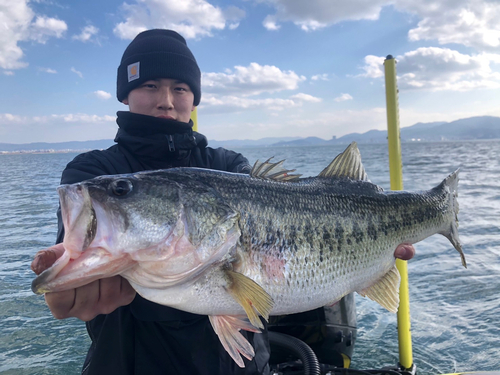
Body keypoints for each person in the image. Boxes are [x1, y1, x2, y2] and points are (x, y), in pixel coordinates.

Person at [31, 29, 415, 375]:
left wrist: (369, 253)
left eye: (180, 88)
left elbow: (270, 266)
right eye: (149, 85)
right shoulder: (95, 173)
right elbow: (80, 255)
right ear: (126, 93)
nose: (166, 100)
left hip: (244, 367)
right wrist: (71, 286)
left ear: (194, 98)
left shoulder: (227, 166)